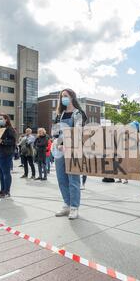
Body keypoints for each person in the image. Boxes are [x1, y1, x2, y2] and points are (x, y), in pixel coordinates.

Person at [53, 89, 86, 220]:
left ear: (72, 97)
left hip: (73, 149)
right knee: (61, 179)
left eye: (65, 96)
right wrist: (57, 143)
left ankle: (74, 207)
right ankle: (66, 204)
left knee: (73, 180)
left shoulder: (78, 113)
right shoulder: (59, 115)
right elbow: (55, 132)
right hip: (59, 151)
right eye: (61, 97)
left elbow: (77, 131)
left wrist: (66, 143)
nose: (63, 99)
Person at [0, 114, 17, 198]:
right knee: (0, 173)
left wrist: (3, 141)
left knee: (6, 173)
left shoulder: (10, 129)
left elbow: (13, 141)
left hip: (6, 153)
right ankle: (2, 189)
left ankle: (7, 191)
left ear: (6, 119)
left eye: (1, 119)